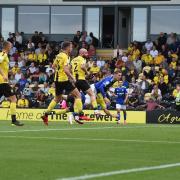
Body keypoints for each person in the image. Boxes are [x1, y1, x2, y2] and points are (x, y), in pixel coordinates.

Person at [41, 41, 87, 125]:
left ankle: (45, 114)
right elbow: (66, 70)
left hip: (57, 80)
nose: (72, 48)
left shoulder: (58, 55)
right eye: (71, 47)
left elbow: (53, 66)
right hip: (64, 80)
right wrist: (72, 77)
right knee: (78, 95)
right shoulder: (66, 56)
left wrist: (59, 72)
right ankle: (80, 115)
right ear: (67, 48)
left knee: (57, 99)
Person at [0, 41, 23, 126]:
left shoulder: (5, 55)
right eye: (11, 46)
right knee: (14, 99)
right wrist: (3, 75)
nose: (11, 47)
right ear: (7, 46)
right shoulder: (3, 54)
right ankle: (14, 120)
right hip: (2, 82)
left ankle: (14, 120)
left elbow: (3, 68)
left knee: (13, 99)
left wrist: (10, 72)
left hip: (3, 81)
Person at [71, 48, 99, 113]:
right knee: (92, 94)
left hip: (75, 81)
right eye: (86, 53)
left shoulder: (73, 60)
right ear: (82, 53)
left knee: (77, 98)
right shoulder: (82, 59)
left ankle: (76, 115)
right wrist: (87, 72)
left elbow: (70, 69)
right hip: (81, 80)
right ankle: (96, 110)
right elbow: (82, 67)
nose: (87, 54)